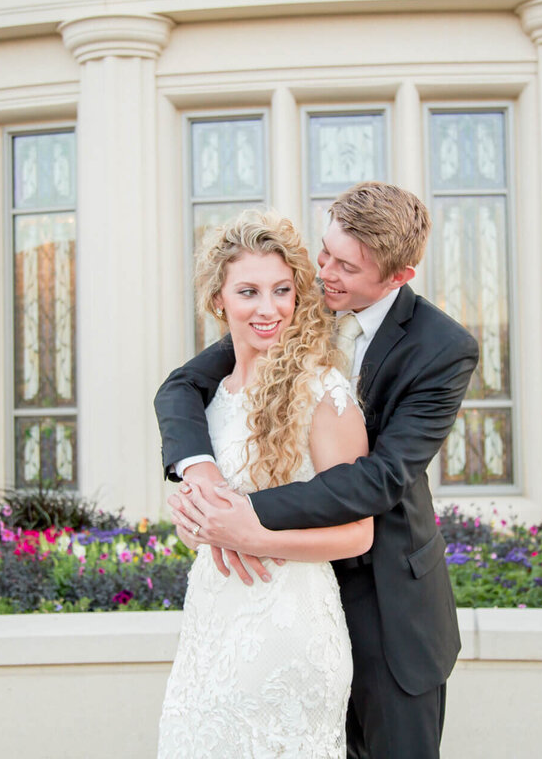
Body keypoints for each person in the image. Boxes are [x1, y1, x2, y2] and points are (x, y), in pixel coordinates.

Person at [157, 181, 480, 758]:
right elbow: (184, 386)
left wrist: (244, 519)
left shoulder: (442, 348)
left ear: (398, 276)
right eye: (325, 250)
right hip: (273, 610)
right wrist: (199, 475)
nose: (323, 272)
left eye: (345, 267)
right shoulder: (292, 303)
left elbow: (380, 478)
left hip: (388, 604)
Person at [156, 210, 372, 758]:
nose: (268, 308)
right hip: (210, 628)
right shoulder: (206, 399)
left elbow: (358, 533)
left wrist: (255, 537)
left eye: (281, 290)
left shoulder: (325, 393)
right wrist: (192, 521)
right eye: (248, 291)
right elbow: (204, 525)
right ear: (219, 300)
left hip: (290, 634)